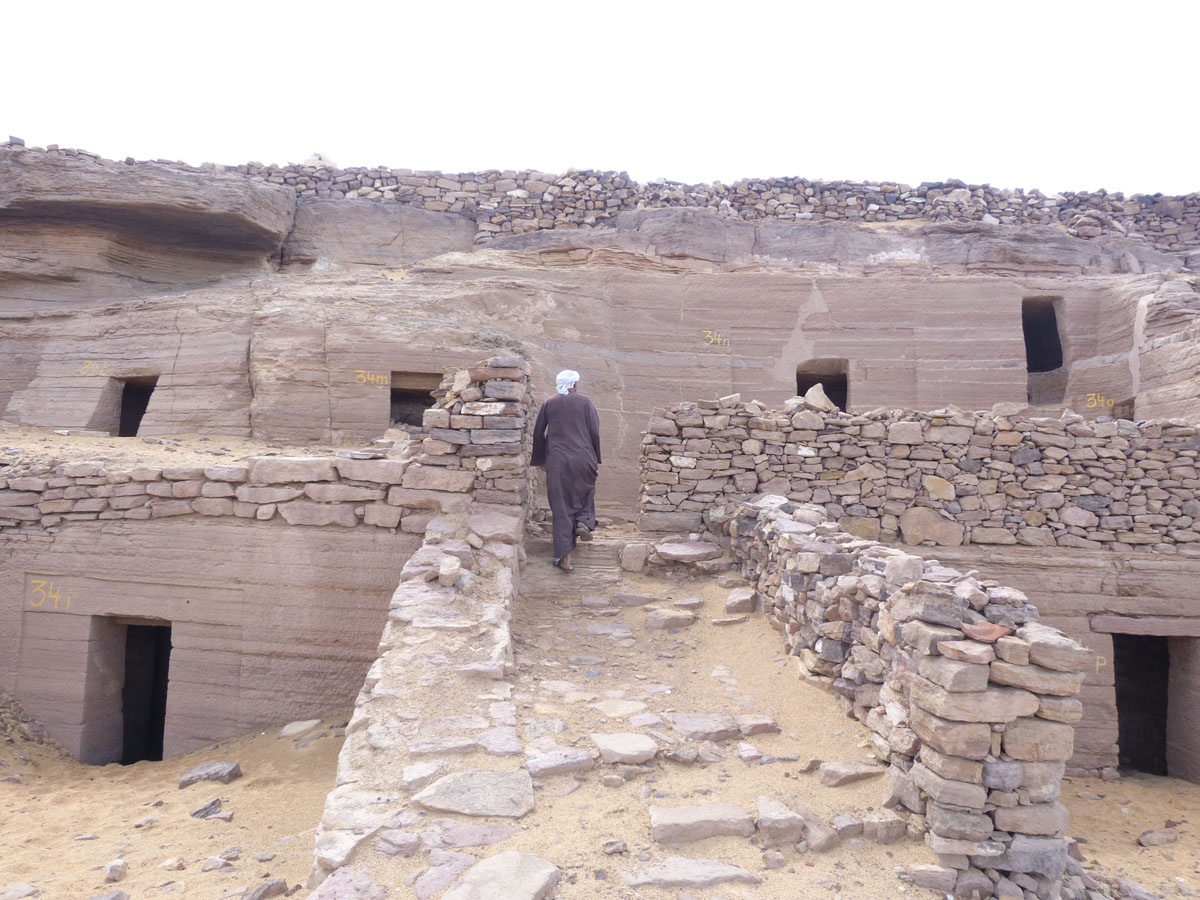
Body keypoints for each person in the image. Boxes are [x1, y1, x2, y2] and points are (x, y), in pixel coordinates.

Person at [531, 369, 601, 572]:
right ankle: (583, 522)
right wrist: (595, 458)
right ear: (574, 384)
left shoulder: (549, 403)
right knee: (585, 492)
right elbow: (594, 431)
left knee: (561, 506)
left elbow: (538, 434)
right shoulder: (585, 402)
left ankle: (565, 557)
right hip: (583, 458)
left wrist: (542, 459)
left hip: (558, 461)